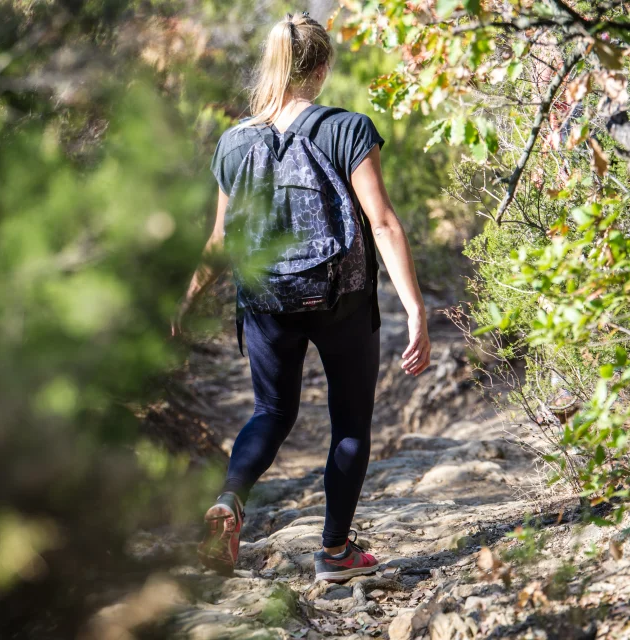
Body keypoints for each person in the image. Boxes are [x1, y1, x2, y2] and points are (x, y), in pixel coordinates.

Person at [173, 12, 431, 582]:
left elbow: (220, 239)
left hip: (266, 300)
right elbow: (383, 223)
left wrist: (188, 301)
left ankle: (229, 500)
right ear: (320, 68)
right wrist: (414, 309)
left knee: (272, 411)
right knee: (349, 423)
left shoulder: (234, 142)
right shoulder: (347, 128)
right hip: (340, 298)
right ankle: (335, 554)